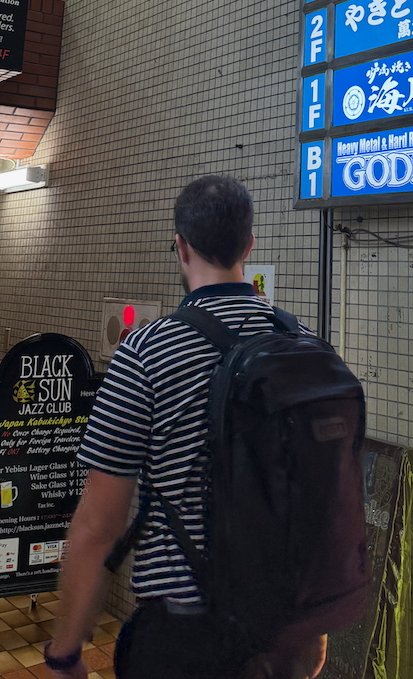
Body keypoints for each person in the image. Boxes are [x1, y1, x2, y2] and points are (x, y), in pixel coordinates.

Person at [43, 174, 328, 679]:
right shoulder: (304, 344)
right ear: (249, 245)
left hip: (184, 636)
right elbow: (318, 499)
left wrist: (65, 651)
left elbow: (98, 525)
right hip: (283, 632)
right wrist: (314, 626)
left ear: (181, 246)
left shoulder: (146, 353)